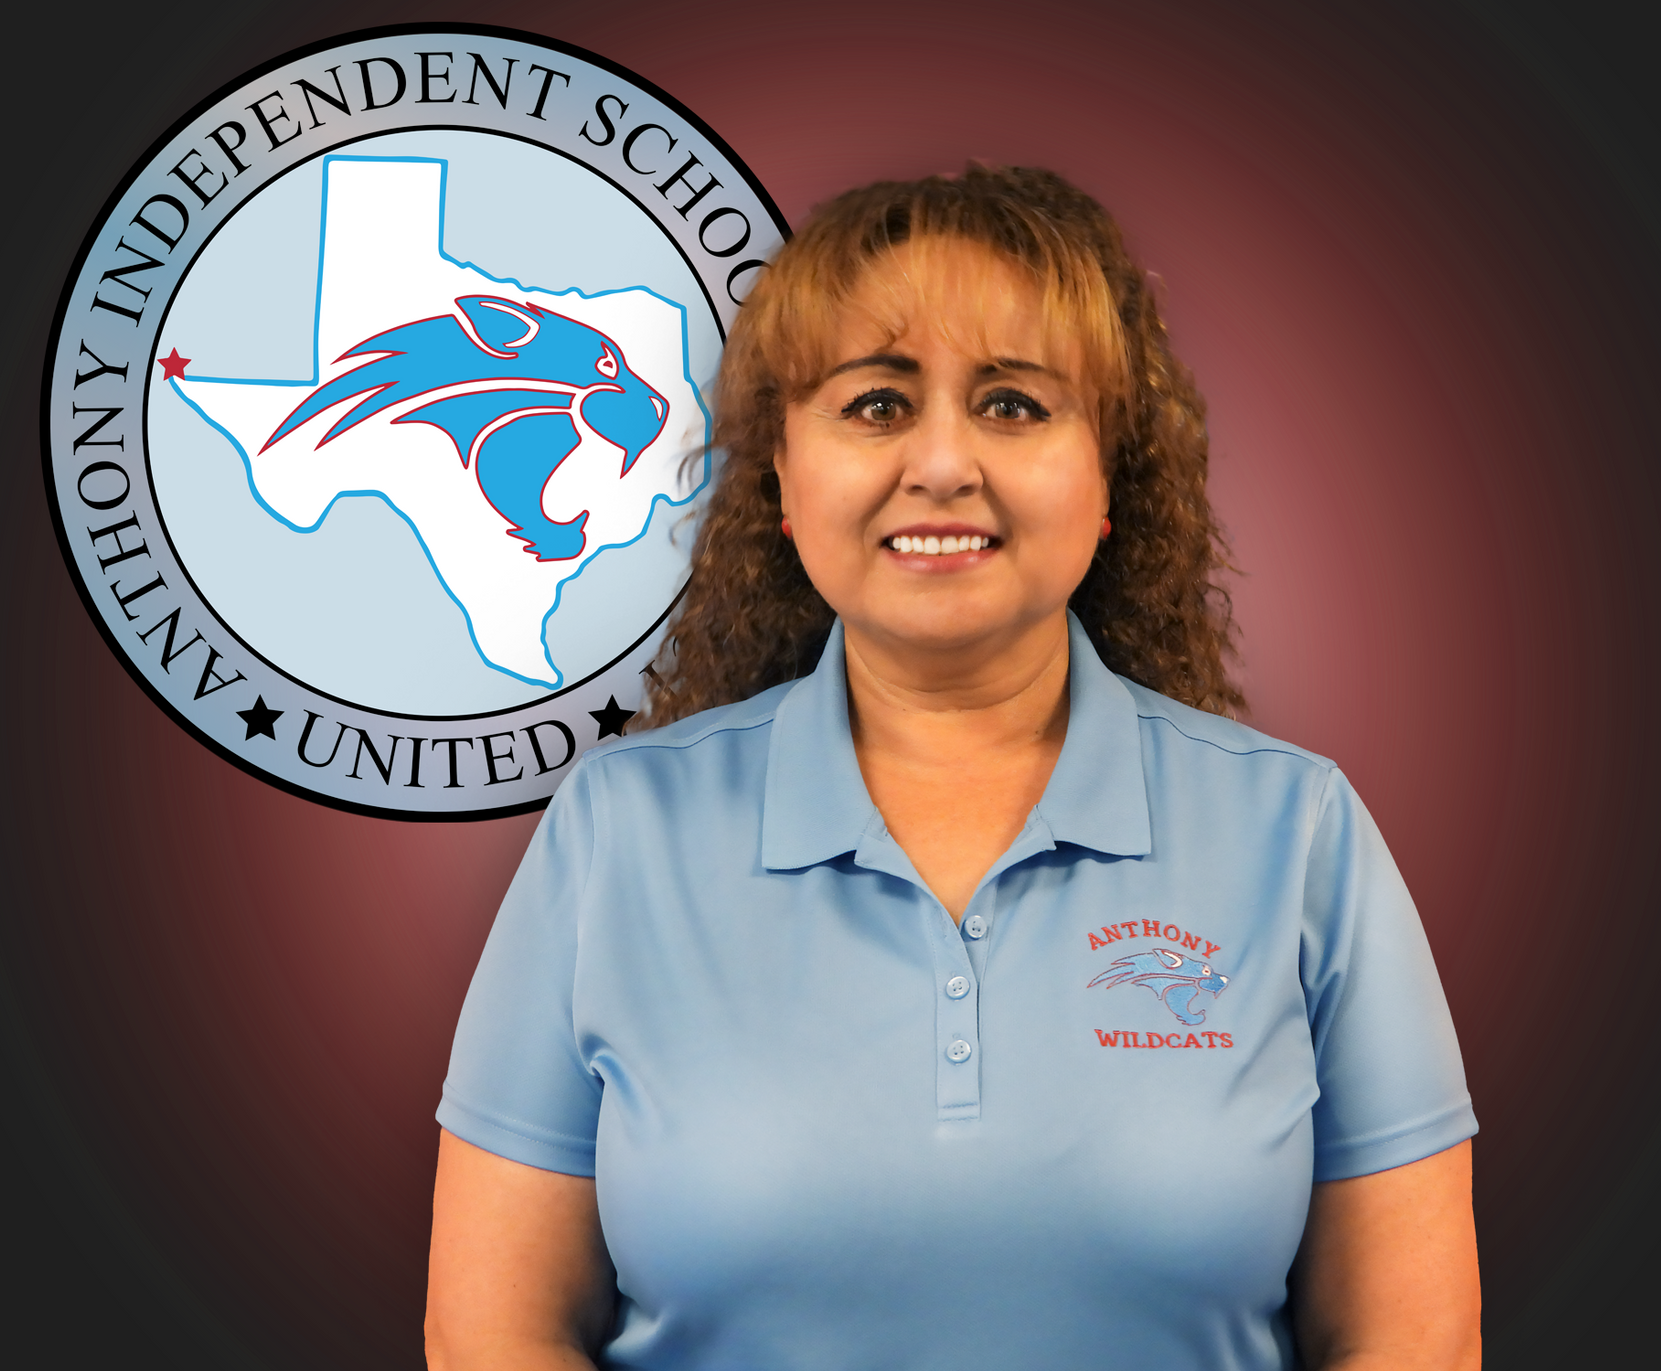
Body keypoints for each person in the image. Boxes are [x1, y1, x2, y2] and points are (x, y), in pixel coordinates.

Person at [425, 166, 1480, 1371]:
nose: (941, 463)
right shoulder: (617, 832)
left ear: (1108, 479)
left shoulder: (1300, 834)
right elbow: (490, 1334)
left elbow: (1415, 1340)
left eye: (1013, 405)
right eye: (876, 404)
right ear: (783, 477)